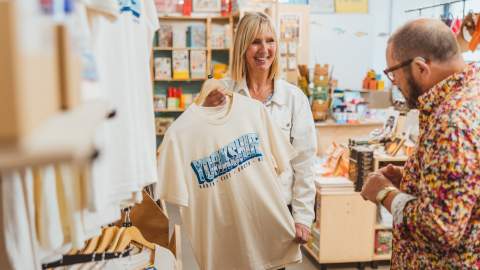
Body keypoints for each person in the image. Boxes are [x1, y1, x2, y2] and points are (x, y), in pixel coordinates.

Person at [361, 18, 480, 268]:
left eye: (394, 74)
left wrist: (384, 193)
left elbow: (441, 227)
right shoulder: (471, 94)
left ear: (420, 68)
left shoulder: (451, 122)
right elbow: (466, 186)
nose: (397, 85)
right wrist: (413, 178)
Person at [204, 12, 317, 248]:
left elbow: (304, 163)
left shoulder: (294, 98)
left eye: (269, 40)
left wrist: (303, 217)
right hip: (234, 211)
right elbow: (204, 151)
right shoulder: (223, 93)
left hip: (278, 210)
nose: (264, 49)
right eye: (255, 42)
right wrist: (206, 112)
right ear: (242, 48)